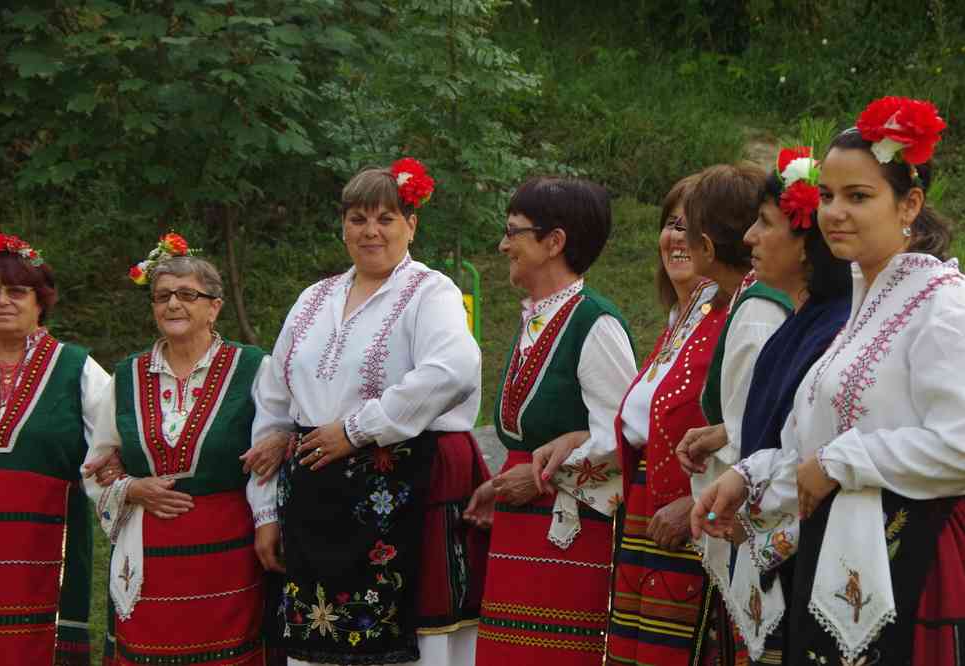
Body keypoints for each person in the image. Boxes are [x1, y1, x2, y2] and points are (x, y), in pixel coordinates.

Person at [693, 97, 965, 665]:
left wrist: (842, 462)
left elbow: (958, 445)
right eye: (827, 196)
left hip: (910, 558)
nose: (835, 212)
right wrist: (748, 477)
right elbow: (810, 449)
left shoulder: (941, 307)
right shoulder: (861, 311)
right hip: (843, 555)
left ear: (909, 203)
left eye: (858, 197)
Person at [254, 158, 487, 666]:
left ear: (411, 225)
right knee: (318, 640)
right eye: (358, 218)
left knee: (409, 641)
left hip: (400, 496)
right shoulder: (313, 300)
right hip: (315, 503)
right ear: (343, 227)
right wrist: (266, 511)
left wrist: (359, 429)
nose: (371, 231)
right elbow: (273, 402)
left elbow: (454, 367)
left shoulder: (431, 291)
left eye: (385, 218)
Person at [681, 147, 851, 664]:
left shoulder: (831, 329)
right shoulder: (802, 324)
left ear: (806, 245)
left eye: (766, 223)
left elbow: (815, 454)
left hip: (802, 555)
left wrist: (757, 518)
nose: (750, 237)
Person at [84, 235, 279, 665]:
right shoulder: (127, 377)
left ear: (214, 306)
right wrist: (132, 489)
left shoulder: (254, 367)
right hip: (149, 557)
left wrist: (281, 443)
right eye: (162, 297)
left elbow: (283, 433)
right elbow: (95, 466)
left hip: (228, 552)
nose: (173, 305)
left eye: (188, 295)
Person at [471, 176, 636, 666]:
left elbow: (624, 438)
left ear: (554, 242)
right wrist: (502, 483)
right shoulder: (539, 319)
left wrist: (542, 478)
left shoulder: (595, 324)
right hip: (522, 526)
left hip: (568, 537)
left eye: (514, 231)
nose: (503, 245)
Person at [605, 165, 764, 665]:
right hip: (650, 502)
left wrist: (691, 498)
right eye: (671, 223)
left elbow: (750, 425)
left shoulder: (741, 314)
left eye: (689, 227)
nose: (678, 238)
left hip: (693, 508)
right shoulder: (688, 315)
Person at [0, 233, 109, 665]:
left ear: (40, 300)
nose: (2, 301)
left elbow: (117, 448)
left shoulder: (77, 368)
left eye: (16, 291)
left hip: (48, 549)